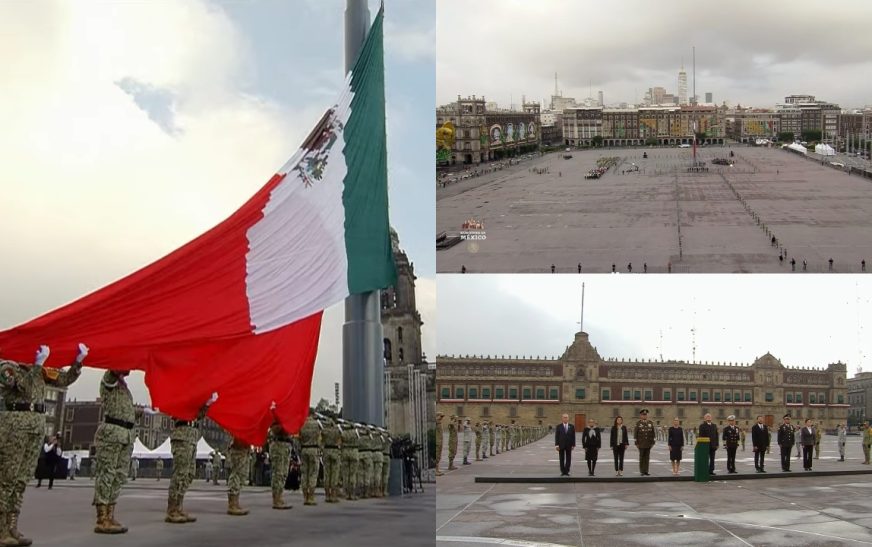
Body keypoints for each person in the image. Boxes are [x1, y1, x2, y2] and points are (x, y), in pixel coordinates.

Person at [0, 343, 87, 547]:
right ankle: (1, 529)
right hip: (15, 426)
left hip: (35, 428)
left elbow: (64, 379)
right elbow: (20, 385)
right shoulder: (7, 366)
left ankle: (12, 526)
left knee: (21, 480)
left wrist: (78, 362)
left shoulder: (40, 371)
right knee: (7, 479)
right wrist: (37, 365)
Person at [92, 369, 136, 534]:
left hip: (125, 435)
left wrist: (141, 412)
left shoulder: (124, 387)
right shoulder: (109, 379)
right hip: (112, 434)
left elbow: (124, 411)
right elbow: (115, 369)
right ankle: (102, 518)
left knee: (119, 476)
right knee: (107, 474)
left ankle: (110, 515)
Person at [165, 393, 216, 523]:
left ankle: (179, 506)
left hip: (192, 436)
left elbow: (198, 415)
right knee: (180, 473)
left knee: (189, 473)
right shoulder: (181, 394)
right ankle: (172, 509)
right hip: (182, 434)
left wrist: (206, 405)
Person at [267, 420, 294, 510]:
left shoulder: (288, 415)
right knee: (278, 473)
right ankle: (276, 499)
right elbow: (274, 429)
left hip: (286, 445)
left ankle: (280, 496)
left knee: (283, 474)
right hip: (279, 445)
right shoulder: (277, 414)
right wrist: (284, 425)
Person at [299, 411, 322, 505]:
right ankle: (311, 497)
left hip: (304, 449)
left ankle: (305, 497)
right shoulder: (317, 424)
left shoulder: (302, 423)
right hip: (313, 449)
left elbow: (299, 437)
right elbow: (320, 437)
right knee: (313, 473)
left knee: (304, 474)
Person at [226, 438, 250, 515]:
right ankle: (232, 504)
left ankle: (236, 502)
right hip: (238, 444)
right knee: (236, 474)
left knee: (242, 475)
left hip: (244, 445)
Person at [340, 421, 359, 500]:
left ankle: (346, 493)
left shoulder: (343, 433)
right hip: (354, 452)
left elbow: (340, 442)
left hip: (345, 452)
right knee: (353, 474)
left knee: (345, 474)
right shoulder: (356, 432)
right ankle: (352, 494)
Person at [634, 409, 655, 476]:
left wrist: (652, 443)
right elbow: (635, 434)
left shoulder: (650, 423)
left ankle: (646, 471)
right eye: (643, 415)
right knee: (641, 457)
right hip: (641, 443)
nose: (644, 416)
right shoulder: (638, 423)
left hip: (648, 443)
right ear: (641, 416)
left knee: (647, 458)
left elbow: (653, 433)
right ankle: (642, 471)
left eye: (645, 415)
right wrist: (636, 443)